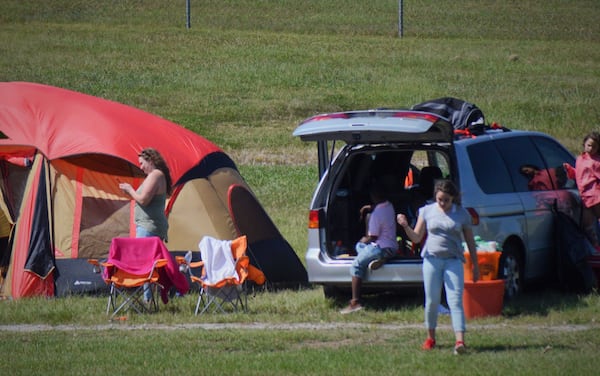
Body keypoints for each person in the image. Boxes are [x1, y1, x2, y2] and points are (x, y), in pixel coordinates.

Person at [397, 179, 479, 355]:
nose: (442, 203)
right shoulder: (426, 211)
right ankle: (430, 338)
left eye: (446, 200)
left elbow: (471, 242)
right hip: (431, 260)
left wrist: (475, 265)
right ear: (435, 196)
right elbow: (417, 238)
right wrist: (405, 226)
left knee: (455, 300)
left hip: (453, 260)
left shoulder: (462, 214)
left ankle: (460, 341)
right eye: (439, 199)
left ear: (453, 198)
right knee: (432, 300)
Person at [119, 147, 172, 302]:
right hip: (150, 225)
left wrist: (130, 189)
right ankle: (150, 298)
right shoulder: (155, 176)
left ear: (150, 161)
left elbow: (143, 200)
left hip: (149, 226)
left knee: (145, 263)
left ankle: (147, 299)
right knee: (150, 263)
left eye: (142, 163)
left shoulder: (155, 175)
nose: (140, 167)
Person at [340, 185, 398, 314]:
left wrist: (363, 239)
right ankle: (377, 260)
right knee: (360, 247)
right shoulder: (389, 206)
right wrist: (368, 207)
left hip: (380, 247)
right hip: (392, 247)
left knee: (356, 264)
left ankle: (355, 302)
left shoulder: (376, 215)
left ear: (373, 197)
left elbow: (372, 237)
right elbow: (378, 208)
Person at [574, 131, 600, 250]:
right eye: (589, 145)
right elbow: (578, 173)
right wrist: (570, 171)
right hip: (584, 196)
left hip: (595, 196)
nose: (591, 148)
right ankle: (596, 248)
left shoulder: (596, 161)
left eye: (594, 147)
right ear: (584, 144)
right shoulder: (580, 158)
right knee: (587, 225)